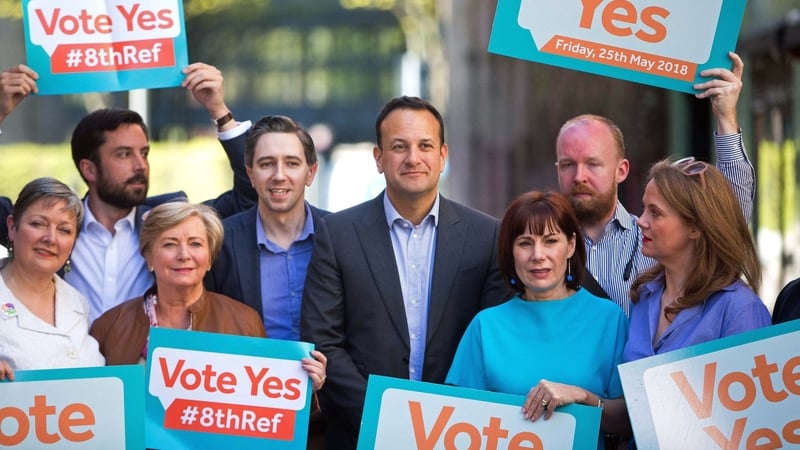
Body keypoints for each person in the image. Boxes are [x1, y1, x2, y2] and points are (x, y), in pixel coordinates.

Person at [300, 96, 512, 449]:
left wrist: (445, 422)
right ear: (379, 159)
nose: (413, 157)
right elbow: (325, 342)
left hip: (457, 433)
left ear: (442, 155)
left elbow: (492, 341)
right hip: (361, 432)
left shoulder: (487, 235)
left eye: (424, 145)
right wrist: (384, 415)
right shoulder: (337, 235)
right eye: (399, 147)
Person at [0, 63, 258, 322]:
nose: (140, 165)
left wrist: (219, 111)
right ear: (89, 169)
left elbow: (251, 194)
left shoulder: (167, 222)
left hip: (146, 359)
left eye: (144, 153)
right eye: (124, 154)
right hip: (64, 359)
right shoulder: (50, 228)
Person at [555, 52, 754, 316]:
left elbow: (729, 217)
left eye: (593, 164)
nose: (579, 176)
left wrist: (726, 118)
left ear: (621, 170)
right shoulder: (539, 247)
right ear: (557, 170)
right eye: (568, 165)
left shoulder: (654, 239)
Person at [445, 190, 629, 449]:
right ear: (510, 251)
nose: (537, 255)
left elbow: (629, 422)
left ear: (571, 245)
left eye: (551, 241)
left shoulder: (610, 320)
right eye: (525, 243)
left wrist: (583, 397)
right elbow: (452, 420)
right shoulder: (485, 328)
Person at [89, 202, 327, 391]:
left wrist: (305, 387)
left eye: (195, 244)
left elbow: (266, 411)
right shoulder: (110, 326)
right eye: (170, 244)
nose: (184, 255)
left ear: (210, 257)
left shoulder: (244, 322)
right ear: (149, 257)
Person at [622, 158, 770, 362]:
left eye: (655, 213)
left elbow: (755, 390)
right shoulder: (645, 294)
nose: (641, 221)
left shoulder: (739, 308)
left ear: (695, 227)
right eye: (644, 208)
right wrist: (592, 396)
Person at [206, 115, 329, 339]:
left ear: (310, 173)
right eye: (266, 164)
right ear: (251, 175)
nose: (279, 176)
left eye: (292, 163)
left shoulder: (341, 237)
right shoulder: (221, 244)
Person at [0, 178, 104, 381]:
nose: (51, 238)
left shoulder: (77, 302)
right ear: (12, 227)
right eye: (38, 224)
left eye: (64, 230)